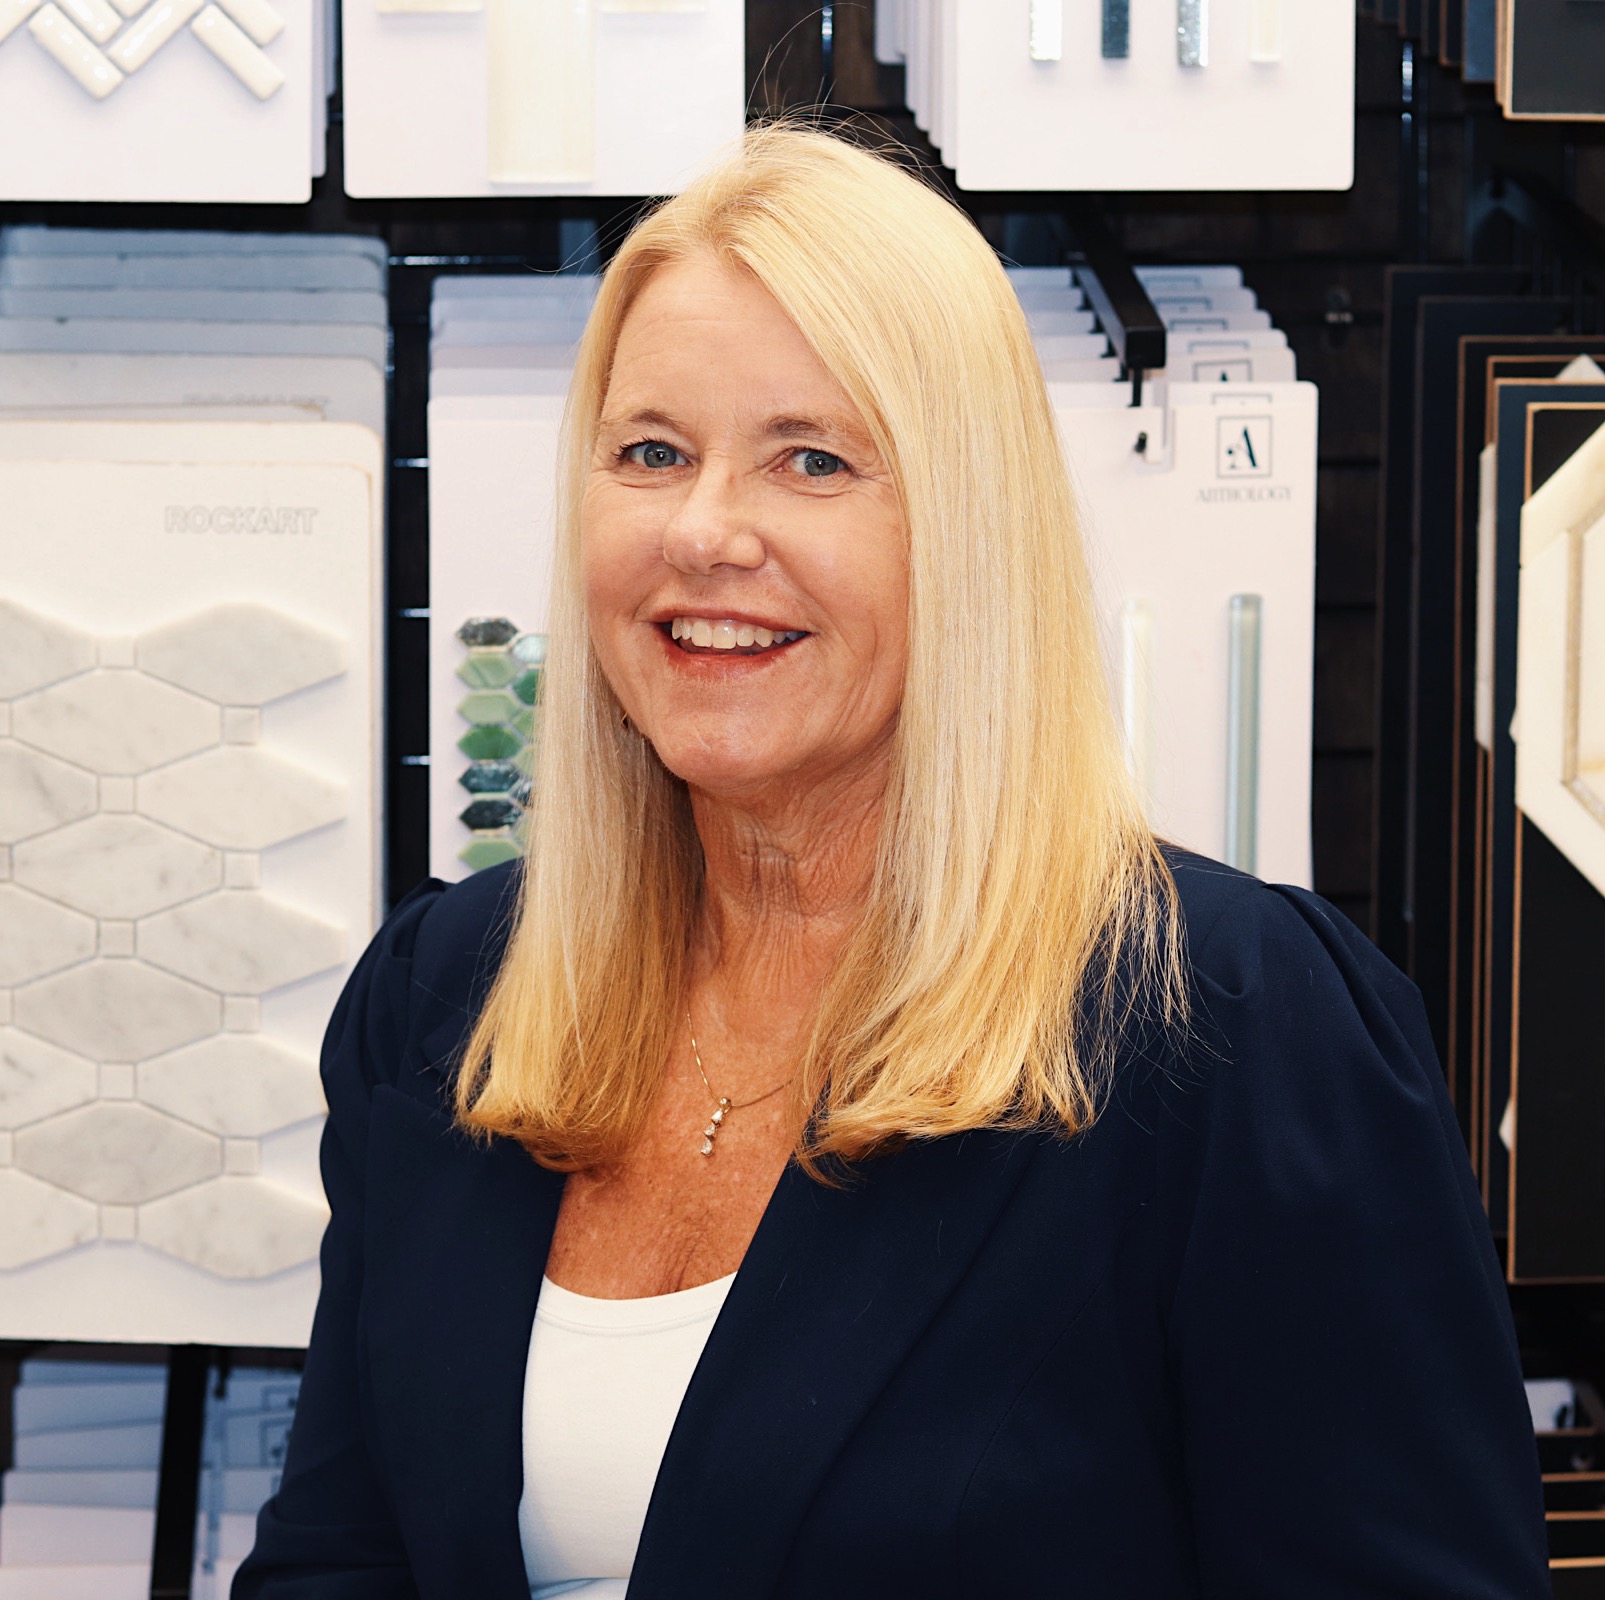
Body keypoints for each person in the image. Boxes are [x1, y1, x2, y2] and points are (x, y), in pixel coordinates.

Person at [234, 124, 1550, 1600]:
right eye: (650, 452)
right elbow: (339, 1562)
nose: (706, 530)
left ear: (966, 534)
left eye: (812, 460)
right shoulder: (448, 998)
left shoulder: (1236, 1034)